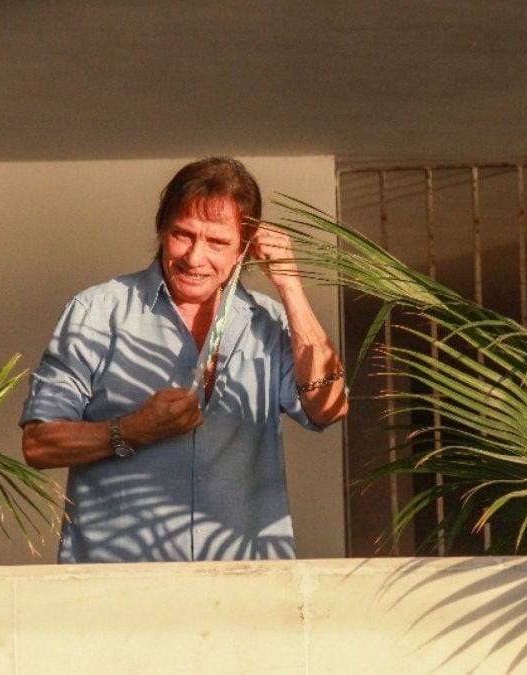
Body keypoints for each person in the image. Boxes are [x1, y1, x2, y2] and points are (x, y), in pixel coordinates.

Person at [20, 157, 348, 563]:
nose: (195, 257)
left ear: (245, 247)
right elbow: (39, 445)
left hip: (244, 582)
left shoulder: (269, 321)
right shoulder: (97, 311)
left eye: (218, 243)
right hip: (118, 582)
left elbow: (329, 408)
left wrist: (290, 285)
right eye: (183, 234)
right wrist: (133, 429)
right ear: (162, 229)